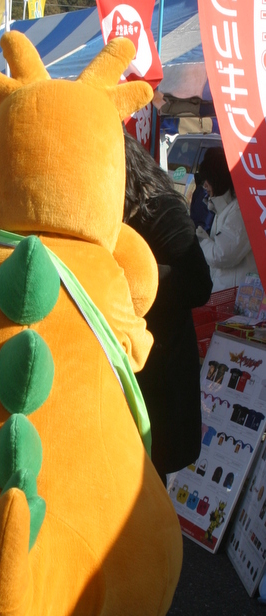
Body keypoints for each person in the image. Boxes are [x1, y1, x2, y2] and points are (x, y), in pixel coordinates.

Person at [123, 132, 213, 484]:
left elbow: (198, 284)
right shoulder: (112, 213)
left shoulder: (161, 209)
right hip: (130, 367)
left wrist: (136, 273)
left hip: (162, 372)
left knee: (149, 480)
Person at [195, 146, 258, 292]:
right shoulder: (224, 208)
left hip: (238, 295)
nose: (205, 185)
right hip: (228, 290)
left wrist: (202, 240)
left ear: (218, 179)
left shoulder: (239, 211)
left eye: (208, 180)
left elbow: (222, 255)